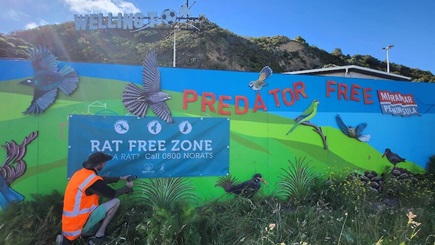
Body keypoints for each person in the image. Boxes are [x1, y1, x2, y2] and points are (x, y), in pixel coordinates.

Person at [56, 151, 135, 245]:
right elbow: (112, 194)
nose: (105, 164)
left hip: (69, 227)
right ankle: (99, 235)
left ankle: (66, 240)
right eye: (104, 162)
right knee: (115, 201)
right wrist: (127, 188)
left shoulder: (80, 174)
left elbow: (101, 180)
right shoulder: (92, 182)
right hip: (80, 225)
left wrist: (122, 178)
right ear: (99, 164)